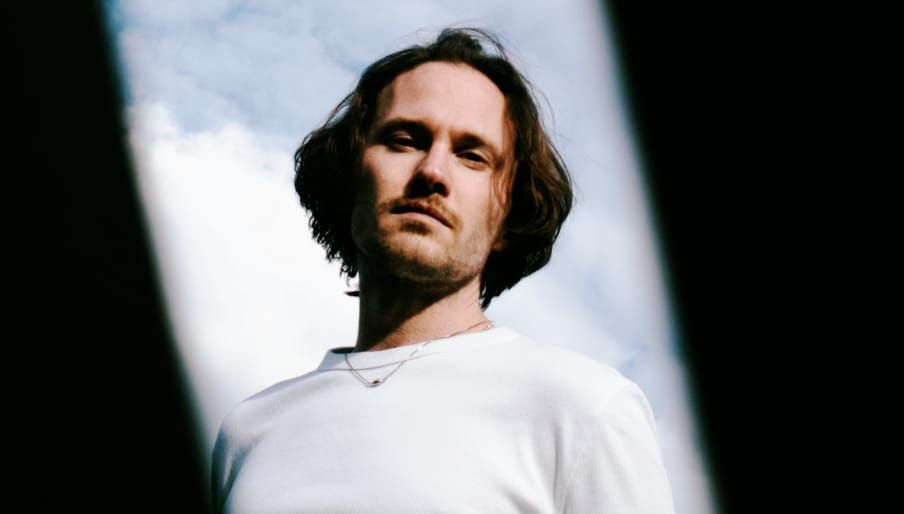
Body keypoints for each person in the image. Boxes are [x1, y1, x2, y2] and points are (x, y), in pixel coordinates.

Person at [210, 28, 676, 513]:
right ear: (351, 179)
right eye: (405, 139)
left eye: (472, 156)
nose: (432, 171)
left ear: (508, 219)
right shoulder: (249, 429)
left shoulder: (584, 408)